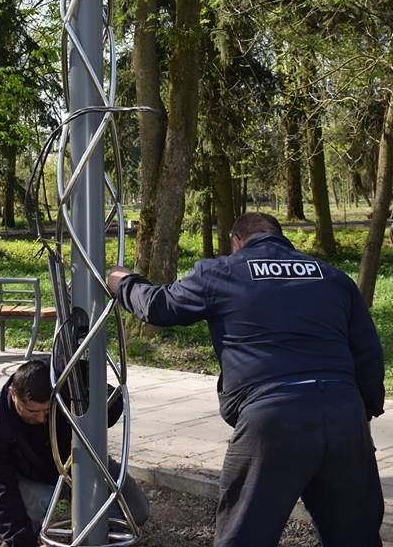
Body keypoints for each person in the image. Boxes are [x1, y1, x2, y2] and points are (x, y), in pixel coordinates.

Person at [108, 211, 385, 547]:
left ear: (236, 242)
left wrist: (124, 282)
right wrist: (361, 415)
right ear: (283, 238)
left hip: (272, 419)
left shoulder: (222, 272)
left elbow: (159, 307)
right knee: (356, 537)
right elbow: (368, 354)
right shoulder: (332, 276)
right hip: (344, 415)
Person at [0, 359, 149, 547]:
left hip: (84, 460)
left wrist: (83, 408)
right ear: (13, 393)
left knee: (138, 512)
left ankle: (103, 529)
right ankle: (30, 533)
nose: (41, 419)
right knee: (36, 502)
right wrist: (19, 540)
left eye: (46, 411)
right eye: (32, 412)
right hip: (36, 478)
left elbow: (113, 398)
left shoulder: (66, 376)